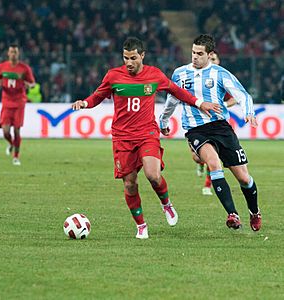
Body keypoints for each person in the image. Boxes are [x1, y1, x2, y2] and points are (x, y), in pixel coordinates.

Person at [72, 37, 220, 239]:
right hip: (122, 137)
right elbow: (97, 96)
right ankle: (141, 225)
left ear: (142, 55)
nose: (129, 62)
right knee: (130, 184)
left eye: (133, 58)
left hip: (146, 133)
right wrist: (85, 103)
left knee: (153, 174)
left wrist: (199, 102)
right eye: (125, 58)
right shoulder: (113, 76)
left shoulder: (154, 75)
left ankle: (166, 204)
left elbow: (176, 91)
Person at [159, 34, 261, 231]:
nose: (194, 57)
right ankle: (232, 215)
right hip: (196, 130)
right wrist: (163, 120)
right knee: (213, 164)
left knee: (243, 178)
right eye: (193, 53)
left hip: (221, 127)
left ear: (210, 54)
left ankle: (254, 211)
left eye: (199, 54)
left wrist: (249, 112)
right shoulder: (180, 74)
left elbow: (242, 94)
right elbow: (172, 100)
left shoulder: (220, 74)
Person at [196, 50, 237, 196]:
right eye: (210, 58)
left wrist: (224, 105)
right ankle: (200, 163)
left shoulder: (221, 78)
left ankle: (207, 185)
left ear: (218, 62)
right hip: (198, 124)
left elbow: (235, 97)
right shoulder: (196, 77)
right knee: (198, 158)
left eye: (214, 59)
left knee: (215, 156)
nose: (212, 61)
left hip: (218, 123)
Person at [0, 44, 35, 166]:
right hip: (7, 101)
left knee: (17, 130)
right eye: (11, 52)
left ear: (18, 54)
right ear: (8, 53)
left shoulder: (24, 68)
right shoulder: (2, 67)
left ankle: (16, 157)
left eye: (15, 52)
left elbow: (33, 83)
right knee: (6, 131)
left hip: (19, 102)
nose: (13, 54)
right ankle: (11, 143)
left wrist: (29, 85)